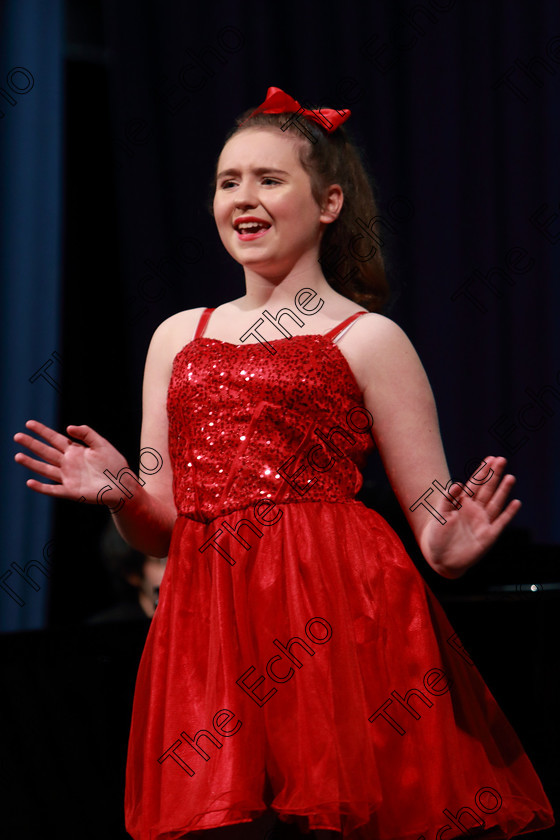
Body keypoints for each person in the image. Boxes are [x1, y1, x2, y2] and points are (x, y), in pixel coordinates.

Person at [14, 87, 554, 840]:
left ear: (328, 201)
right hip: (213, 616)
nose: (244, 196)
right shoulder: (177, 336)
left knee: (346, 817)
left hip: (338, 612)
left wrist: (448, 548)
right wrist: (121, 496)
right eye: (228, 180)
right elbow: (159, 528)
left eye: (269, 179)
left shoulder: (369, 338)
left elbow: (434, 520)